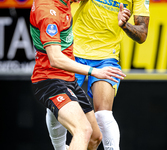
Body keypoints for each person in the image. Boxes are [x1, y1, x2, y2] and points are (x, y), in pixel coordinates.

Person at [46, 0, 150, 149]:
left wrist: (124, 25)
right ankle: (60, 148)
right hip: (75, 50)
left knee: (103, 115)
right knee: (56, 102)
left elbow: (142, 34)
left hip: (106, 57)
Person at [29, 0, 126, 150]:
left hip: (67, 80)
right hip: (50, 81)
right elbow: (55, 59)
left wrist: (121, 22)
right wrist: (94, 71)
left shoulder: (63, 2)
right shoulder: (49, 13)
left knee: (95, 137)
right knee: (83, 130)